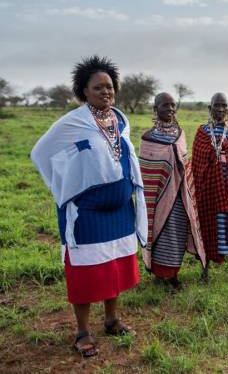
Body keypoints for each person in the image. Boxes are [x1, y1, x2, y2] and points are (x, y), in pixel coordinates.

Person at [30, 56, 147, 357]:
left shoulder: (120, 119)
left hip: (120, 210)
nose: (106, 92)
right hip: (88, 213)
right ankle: (82, 332)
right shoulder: (74, 122)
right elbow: (41, 153)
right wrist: (65, 187)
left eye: (109, 86)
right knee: (85, 272)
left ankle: (112, 319)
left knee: (115, 266)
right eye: (98, 87)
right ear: (84, 91)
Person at [139, 92, 207, 289]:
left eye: (172, 105)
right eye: (164, 106)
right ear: (155, 109)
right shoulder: (148, 138)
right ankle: (159, 274)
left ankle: (173, 274)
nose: (169, 109)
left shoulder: (180, 134)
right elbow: (147, 171)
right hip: (157, 198)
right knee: (159, 232)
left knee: (177, 233)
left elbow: (185, 163)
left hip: (179, 195)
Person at [192, 93, 228, 281]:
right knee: (208, 227)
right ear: (209, 109)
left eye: (223, 106)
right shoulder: (202, 132)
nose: (220, 109)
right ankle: (205, 271)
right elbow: (197, 164)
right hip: (208, 190)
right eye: (216, 106)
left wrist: (225, 149)